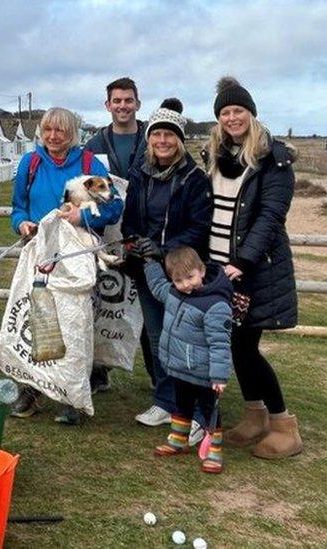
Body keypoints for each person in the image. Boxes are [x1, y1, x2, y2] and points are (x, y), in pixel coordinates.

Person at [203, 76, 302, 459]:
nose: (232, 118)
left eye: (238, 110)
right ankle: (255, 415)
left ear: (251, 113)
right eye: (225, 112)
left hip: (254, 269)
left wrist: (242, 262)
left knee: (247, 349)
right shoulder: (215, 155)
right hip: (218, 267)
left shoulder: (273, 159)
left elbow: (270, 216)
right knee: (235, 344)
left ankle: (283, 423)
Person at [8, 106, 121, 425]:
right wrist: (22, 225)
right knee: (40, 320)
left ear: (73, 134)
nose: (54, 136)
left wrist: (82, 216)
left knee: (74, 325)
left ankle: (72, 395)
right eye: (48, 130)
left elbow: (113, 206)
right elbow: (19, 207)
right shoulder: (30, 163)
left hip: (78, 256)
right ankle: (32, 390)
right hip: (42, 253)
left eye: (61, 131)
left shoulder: (89, 164)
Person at [122, 99, 212, 431]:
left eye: (169, 135)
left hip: (181, 269)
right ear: (149, 139)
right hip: (148, 267)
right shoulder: (141, 175)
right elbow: (130, 219)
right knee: (158, 337)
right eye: (156, 134)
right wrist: (135, 243)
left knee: (186, 339)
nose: (162, 141)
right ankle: (165, 400)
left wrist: (162, 248)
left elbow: (199, 227)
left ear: (180, 140)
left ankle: (197, 409)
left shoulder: (194, 178)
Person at [139, 245, 231, 474]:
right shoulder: (173, 292)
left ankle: (214, 452)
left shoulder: (215, 305)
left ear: (201, 270)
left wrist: (219, 376)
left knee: (210, 412)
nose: (186, 284)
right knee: (181, 407)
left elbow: (220, 343)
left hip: (204, 373)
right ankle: (178, 440)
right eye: (178, 280)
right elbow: (158, 286)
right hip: (179, 368)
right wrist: (150, 262)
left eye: (190, 277)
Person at [83, 77, 147, 394]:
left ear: (138, 103)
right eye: (117, 101)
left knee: (146, 298)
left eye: (128, 100)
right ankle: (99, 369)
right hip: (107, 228)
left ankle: (162, 378)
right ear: (108, 105)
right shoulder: (95, 145)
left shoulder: (153, 139)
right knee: (104, 296)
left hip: (145, 227)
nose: (123, 106)